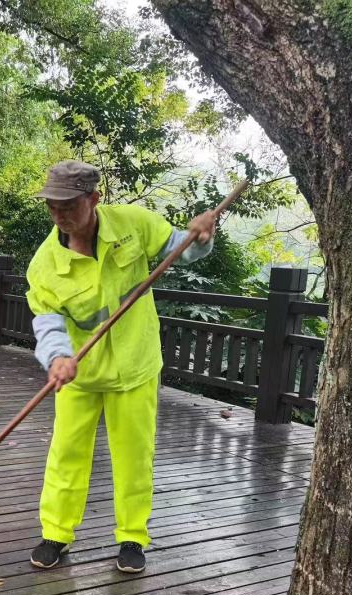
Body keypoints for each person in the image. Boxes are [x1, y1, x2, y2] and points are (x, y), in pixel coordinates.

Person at [26, 160, 217, 572]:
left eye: (69, 205)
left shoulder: (132, 224)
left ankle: (132, 537)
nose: (60, 215)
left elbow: (182, 249)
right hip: (81, 373)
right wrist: (58, 357)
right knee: (66, 453)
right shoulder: (45, 264)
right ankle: (56, 533)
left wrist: (201, 236)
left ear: (94, 199)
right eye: (52, 207)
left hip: (135, 365)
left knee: (133, 455)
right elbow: (47, 322)